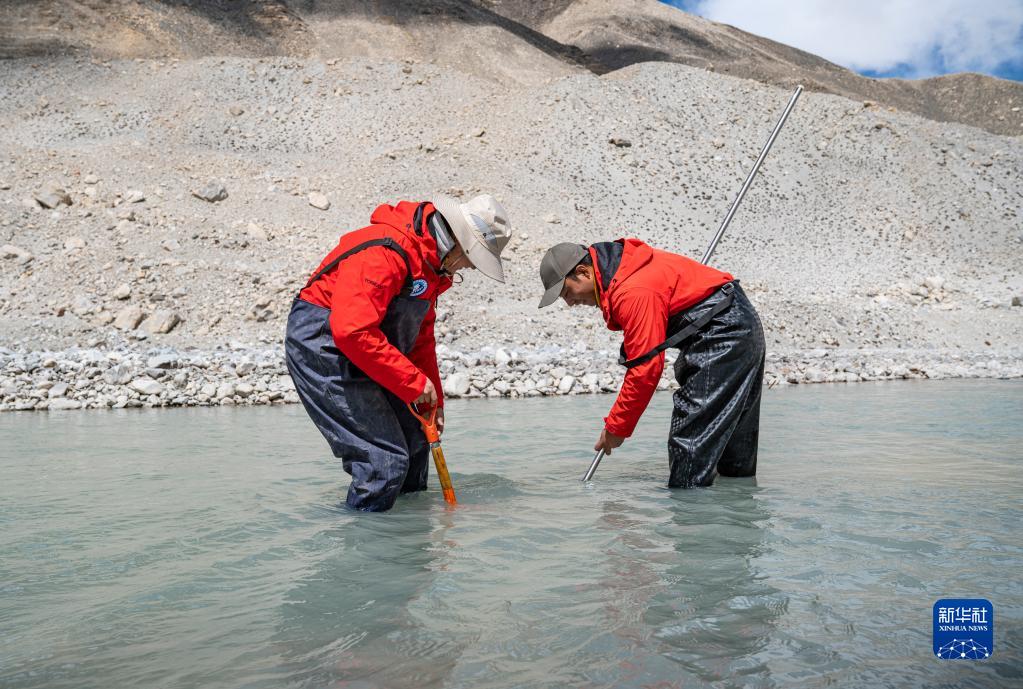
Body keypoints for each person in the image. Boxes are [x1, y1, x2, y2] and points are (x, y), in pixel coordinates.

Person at [286, 195, 512, 511]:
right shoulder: (386, 252)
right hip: (323, 347)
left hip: (372, 345)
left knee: (417, 442)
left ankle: (409, 537)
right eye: (472, 258)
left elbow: (419, 339)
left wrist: (433, 399)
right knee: (383, 463)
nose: (470, 266)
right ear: (457, 242)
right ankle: (367, 539)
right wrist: (413, 383)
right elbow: (351, 331)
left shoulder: (431, 267)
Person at [537, 239, 765, 488]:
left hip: (723, 333)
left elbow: (645, 369)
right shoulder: (627, 269)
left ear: (584, 272)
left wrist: (616, 428)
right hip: (738, 322)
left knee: (689, 450)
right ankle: (737, 508)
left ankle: (689, 511)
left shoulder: (632, 290)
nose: (569, 303)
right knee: (734, 456)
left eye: (566, 293)